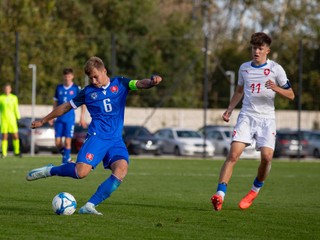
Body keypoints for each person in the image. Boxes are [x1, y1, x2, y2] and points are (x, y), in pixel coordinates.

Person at [26, 56, 162, 215]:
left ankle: (89, 205)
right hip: (97, 137)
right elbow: (65, 108)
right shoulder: (87, 92)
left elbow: (139, 83)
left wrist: (151, 82)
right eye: (90, 78)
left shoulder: (121, 83)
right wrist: (44, 120)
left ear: (104, 71)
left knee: (121, 170)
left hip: (116, 140)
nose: (94, 80)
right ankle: (51, 170)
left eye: (96, 76)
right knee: (80, 173)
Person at [211, 32, 295, 211]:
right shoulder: (244, 68)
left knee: (267, 157)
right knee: (233, 155)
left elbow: (291, 94)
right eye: (254, 48)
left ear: (267, 51)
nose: (256, 51)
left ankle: (255, 190)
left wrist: (276, 88)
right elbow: (239, 91)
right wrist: (229, 109)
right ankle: (219, 195)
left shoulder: (276, 69)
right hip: (247, 116)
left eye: (260, 48)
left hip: (266, 119)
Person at [52, 68, 86, 163]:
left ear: (72, 76)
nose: (67, 78)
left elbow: (83, 103)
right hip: (59, 119)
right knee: (58, 143)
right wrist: (52, 116)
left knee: (67, 142)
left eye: (69, 76)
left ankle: (65, 161)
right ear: (63, 77)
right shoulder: (59, 88)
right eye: (65, 76)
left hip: (69, 119)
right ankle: (67, 157)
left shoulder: (76, 88)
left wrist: (82, 117)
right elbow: (55, 103)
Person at [0, 83, 21, 158]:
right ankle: (4, 153)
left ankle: (17, 152)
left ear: (10, 89)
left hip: (12, 119)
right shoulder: (1, 98)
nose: (7, 90)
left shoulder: (14, 98)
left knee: (15, 136)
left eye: (8, 88)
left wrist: (18, 118)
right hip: (4, 120)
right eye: (5, 89)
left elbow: (16, 108)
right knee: (4, 136)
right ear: (4, 89)